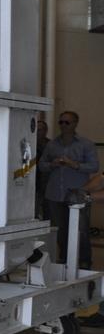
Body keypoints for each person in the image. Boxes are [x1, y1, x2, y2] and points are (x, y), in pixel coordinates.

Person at [38, 110, 97, 270]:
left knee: (81, 232)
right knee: (59, 231)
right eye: (61, 122)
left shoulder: (86, 144)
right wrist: (52, 164)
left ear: (75, 124)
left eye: (67, 122)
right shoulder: (52, 145)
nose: (63, 125)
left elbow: (94, 166)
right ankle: (64, 262)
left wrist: (74, 164)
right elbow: (41, 165)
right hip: (55, 194)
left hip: (77, 195)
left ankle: (85, 264)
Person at [34, 117, 50, 220]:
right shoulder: (30, 145)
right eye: (36, 129)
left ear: (45, 131)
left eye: (40, 130)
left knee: (47, 210)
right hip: (33, 183)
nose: (37, 132)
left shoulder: (52, 146)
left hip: (48, 183)